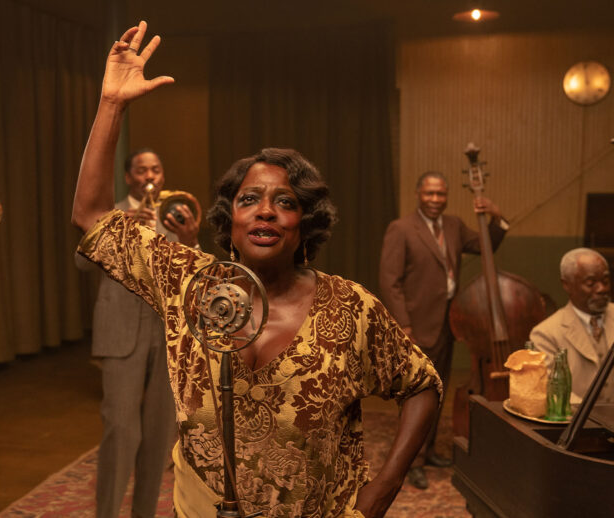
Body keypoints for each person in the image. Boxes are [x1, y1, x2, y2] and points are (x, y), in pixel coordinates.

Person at [71, 22, 441, 518]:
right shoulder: (189, 283)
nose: (265, 211)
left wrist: (385, 486)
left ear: (305, 223)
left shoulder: (350, 307)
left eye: (284, 202)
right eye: (249, 200)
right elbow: (91, 216)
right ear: (231, 220)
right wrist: (112, 105)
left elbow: (422, 385)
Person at [75, 147, 200, 518]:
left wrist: (192, 240)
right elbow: (81, 263)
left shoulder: (178, 213)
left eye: (156, 170)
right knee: (120, 430)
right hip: (120, 331)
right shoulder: (111, 214)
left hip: (166, 331)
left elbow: (196, 271)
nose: (150, 176)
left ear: (163, 176)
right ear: (129, 177)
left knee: (160, 434)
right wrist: (122, 225)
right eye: (142, 170)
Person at [378, 170, 509, 489]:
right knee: (417, 396)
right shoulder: (401, 229)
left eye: (440, 194)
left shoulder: (454, 226)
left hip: (449, 325)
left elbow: (485, 247)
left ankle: (430, 450)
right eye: (429, 194)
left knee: (437, 393)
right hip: (417, 328)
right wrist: (404, 326)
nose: (435, 200)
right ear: (418, 194)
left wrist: (496, 218)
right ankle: (413, 462)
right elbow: (389, 281)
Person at [530, 248, 613, 404]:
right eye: (591, 283)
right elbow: (550, 388)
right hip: (576, 422)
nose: (602, 289)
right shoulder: (545, 334)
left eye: (606, 281)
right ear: (567, 285)